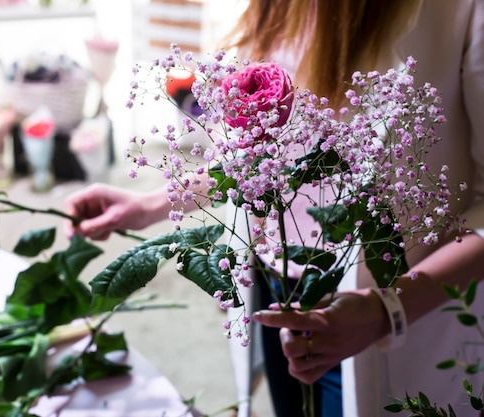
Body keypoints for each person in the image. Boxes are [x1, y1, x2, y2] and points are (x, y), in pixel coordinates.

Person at [64, 0, 484, 416]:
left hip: (392, 321)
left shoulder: (459, 12)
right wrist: (153, 202)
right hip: (272, 285)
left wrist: (386, 311)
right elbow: (262, 156)